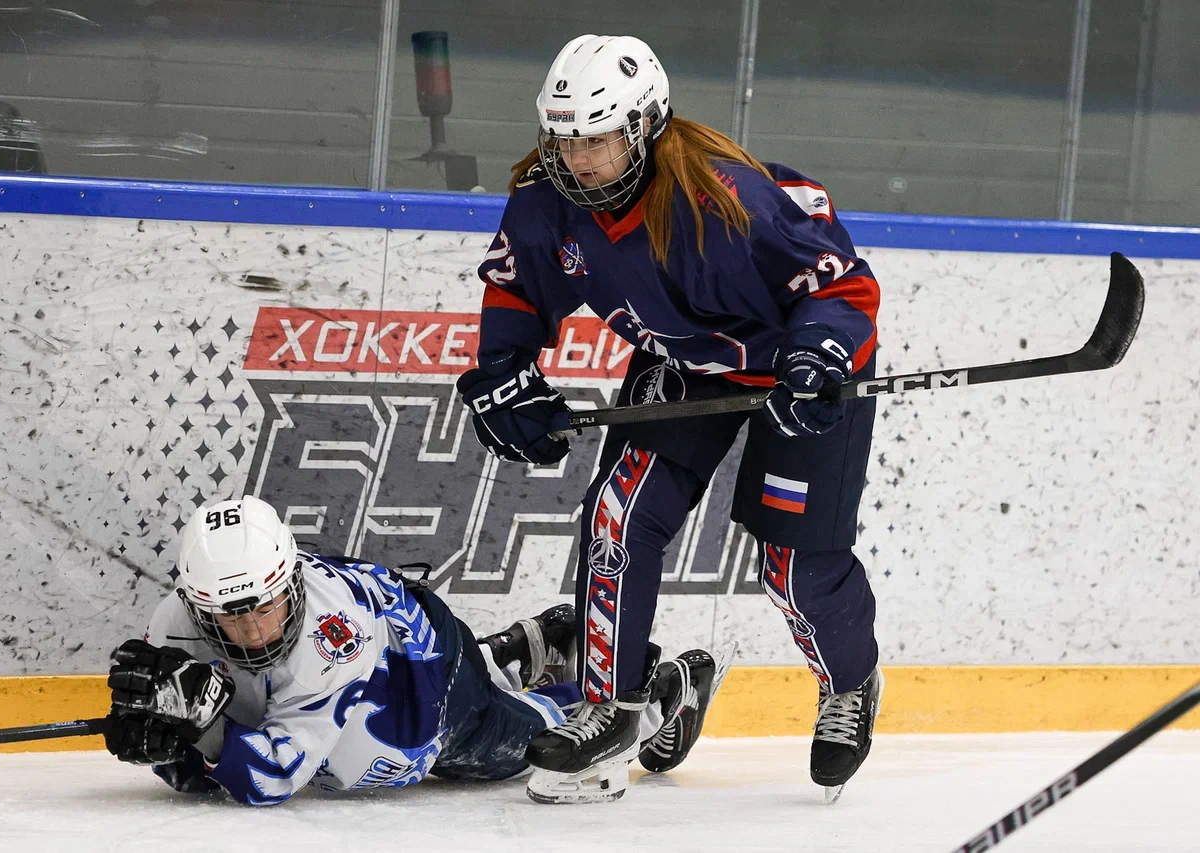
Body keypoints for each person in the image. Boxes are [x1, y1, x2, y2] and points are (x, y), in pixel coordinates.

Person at [455, 34, 883, 804]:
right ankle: (609, 709)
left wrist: (819, 356)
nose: (578, 159)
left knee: (795, 569)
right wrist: (503, 372)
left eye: (597, 139)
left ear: (646, 125)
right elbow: (516, 287)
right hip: (684, 362)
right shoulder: (549, 203)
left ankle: (850, 682)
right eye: (564, 139)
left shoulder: (725, 200)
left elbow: (839, 287)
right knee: (617, 514)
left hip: (801, 367)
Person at [104, 496, 729, 805]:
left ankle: (663, 698)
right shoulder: (176, 621)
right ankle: (524, 649)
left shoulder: (331, 636)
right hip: (396, 630)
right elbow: (185, 737)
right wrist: (160, 738)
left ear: (289, 579)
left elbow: (275, 776)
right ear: (196, 606)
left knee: (527, 748)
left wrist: (204, 732)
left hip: (427, 683)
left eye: (264, 607)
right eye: (230, 617)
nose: (253, 633)